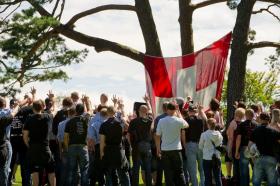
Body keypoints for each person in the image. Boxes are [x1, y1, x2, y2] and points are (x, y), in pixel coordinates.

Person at [23, 100, 56, 186]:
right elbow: (54, 111)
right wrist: (53, 100)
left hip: (33, 148)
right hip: (45, 148)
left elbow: (25, 135)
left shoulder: (29, 118)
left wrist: (29, 145)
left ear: (33, 108)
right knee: (51, 171)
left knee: (35, 172)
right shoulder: (48, 117)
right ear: (43, 107)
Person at [155, 102, 189, 186]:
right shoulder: (178, 120)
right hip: (177, 150)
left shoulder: (161, 121)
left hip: (165, 150)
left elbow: (157, 135)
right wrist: (179, 113)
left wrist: (158, 148)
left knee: (168, 174)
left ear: (166, 109)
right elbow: (187, 125)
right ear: (175, 110)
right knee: (180, 173)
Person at [99, 106, 130, 186]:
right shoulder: (119, 123)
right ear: (115, 112)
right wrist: (122, 118)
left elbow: (102, 141)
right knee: (123, 174)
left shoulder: (103, 125)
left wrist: (101, 152)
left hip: (108, 151)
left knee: (108, 176)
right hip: (118, 150)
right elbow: (128, 127)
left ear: (107, 113)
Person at [249, 112, 280, 186]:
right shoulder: (273, 131)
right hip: (271, 158)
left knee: (256, 181)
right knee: (272, 181)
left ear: (260, 119)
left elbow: (250, 145)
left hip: (258, 157)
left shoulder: (255, 130)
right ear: (269, 119)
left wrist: (252, 155)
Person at [64, 104, 90, 186]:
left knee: (71, 170)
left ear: (75, 111)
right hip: (83, 147)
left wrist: (66, 148)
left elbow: (65, 137)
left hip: (72, 146)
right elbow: (89, 112)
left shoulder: (69, 121)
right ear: (83, 111)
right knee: (84, 170)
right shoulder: (86, 120)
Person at [128, 104, 153, 186]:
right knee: (148, 168)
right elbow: (152, 133)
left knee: (136, 168)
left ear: (139, 111)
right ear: (146, 112)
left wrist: (131, 145)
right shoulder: (150, 121)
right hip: (147, 145)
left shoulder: (133, 122)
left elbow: (128, 135)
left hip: (137, 146)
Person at [183, 105, 205, 186]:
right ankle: (202, 184)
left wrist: (185, 146)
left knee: (192, 169)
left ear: (189, 111)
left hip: (189, 144)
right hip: (200, 144)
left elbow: (183, 135)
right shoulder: (201, 120)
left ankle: (195, 184)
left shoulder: (185, 120)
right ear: (195, 111)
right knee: (202, 168)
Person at [234, 109, 257, 186]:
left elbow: (238, 138)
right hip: (254, 148)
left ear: (245, 115)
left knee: (244, 170)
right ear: (253, 115)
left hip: (244, 148)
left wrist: (237, 151)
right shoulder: (256, 125)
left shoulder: (241, 125)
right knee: (256, 168)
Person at [87, 105, 108, 186]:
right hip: (107, 146)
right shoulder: (108, 120)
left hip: (97, 146)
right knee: (107, 168)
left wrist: (91, 148)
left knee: (97, 168)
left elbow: (91, 137)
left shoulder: (93, 120)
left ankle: (100, 183)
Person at [199, 118, 223, 186]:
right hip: (217, 157)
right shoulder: (219, 134)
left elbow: (200, 147)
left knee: (207, 178)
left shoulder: (204, 134)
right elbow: (220, 144)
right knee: (218, 177)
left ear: (208, 125)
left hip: (207, 158)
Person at [57, 106, 76, 186]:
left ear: (68, 113)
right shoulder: (75, 123)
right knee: (74, 170)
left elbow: (59, 140)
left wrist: (60, 152)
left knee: (64, 171)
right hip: (74, 148)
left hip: (64, 148)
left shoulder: (61, 124)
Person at [226, 107, 245, 185]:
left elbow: (230, 137)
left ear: (236, 114)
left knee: (236, 165)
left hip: (234, 146)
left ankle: (236, 181)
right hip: (243, 146)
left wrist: (229, 149)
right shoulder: (244, 122)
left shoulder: (233, 123)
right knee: (242, 166)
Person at [152, 102, 169, 186]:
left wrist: (157, 147)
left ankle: (159, 183)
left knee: (160, 166)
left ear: (162, 108)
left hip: (161, 144)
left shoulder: (158, 118)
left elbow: (155, 134)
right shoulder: (174, 118)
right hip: (171, 146)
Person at [0, 97, 14, 186]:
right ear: (4, 104)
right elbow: (14, 111)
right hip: (4, 142)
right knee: (4, 168)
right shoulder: (6, 112)